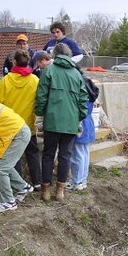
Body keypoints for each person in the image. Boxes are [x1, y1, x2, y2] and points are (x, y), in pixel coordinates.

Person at [35, 43, 89, 202]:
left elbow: (41, 95)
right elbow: (83, 98)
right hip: (71, 122)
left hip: (52, 121)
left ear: (55, 55)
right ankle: (60, 191)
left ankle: (45, 190)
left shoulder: (48, 71)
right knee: (65, 156)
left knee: (48, 155)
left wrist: (39, 113)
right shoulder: (77, 74)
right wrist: (80, 116)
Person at [0, 49, 41, 194]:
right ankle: (37, 182)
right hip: (29, 125)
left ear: (13, 62)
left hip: (11, 126)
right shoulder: (35, 80)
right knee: (32, 153)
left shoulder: (6, 81)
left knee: (15, 157)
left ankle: (19, 186)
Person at [66, 76, 96, 191]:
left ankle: (76, 181)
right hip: (88, 124)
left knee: (77, 155)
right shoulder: (90, 95)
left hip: (81, 125)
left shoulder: (82, 98)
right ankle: (82, 180)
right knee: (84, 153)